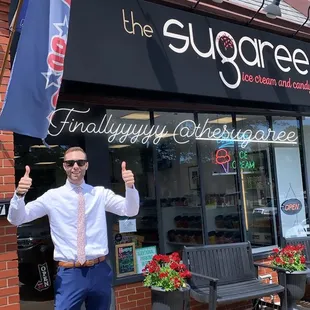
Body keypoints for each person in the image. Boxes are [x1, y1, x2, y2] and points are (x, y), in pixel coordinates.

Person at [7, 146, 140, 310]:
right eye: (70, 163)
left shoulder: (99, 194)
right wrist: (19, 195)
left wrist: (130, 188)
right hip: (70, 274)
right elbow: (17, 219)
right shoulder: (52, 197)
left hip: (99, 270)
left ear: (86, 165)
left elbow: (131, 210)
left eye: (80, 162)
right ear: (64, 166)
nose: (75, 166)